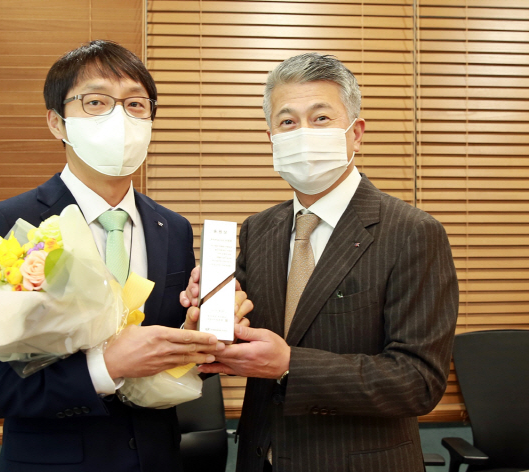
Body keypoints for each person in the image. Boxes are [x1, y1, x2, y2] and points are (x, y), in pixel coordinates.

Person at [0, 40, 230, 472]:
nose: (120, 118)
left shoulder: (173, 228)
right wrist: (103, 368)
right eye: (96, 102)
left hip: (159, 459)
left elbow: (175, 367)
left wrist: (197, 339)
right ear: (57, 123)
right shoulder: (7, 225)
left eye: (136, 105)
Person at [181, 53, 459, 472]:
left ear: (356, 133)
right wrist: (207, 320)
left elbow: (418, 381)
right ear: (271, 137)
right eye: (288, 122)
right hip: (262, 458)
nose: (302, 132)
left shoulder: (412, 232)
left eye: (321, 118)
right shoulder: (260, 229)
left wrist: (291, 364)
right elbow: (237, 338)